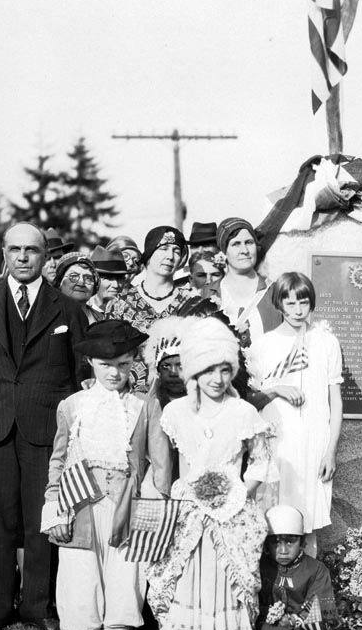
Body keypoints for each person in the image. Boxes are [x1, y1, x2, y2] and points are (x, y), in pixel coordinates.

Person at [0, 222, 88, 630]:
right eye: (16, 249)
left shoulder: (66, 308)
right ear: (5, 254)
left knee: (39, 519)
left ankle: (36, 605)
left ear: (45, 256)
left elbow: (79, 367)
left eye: (32, 250)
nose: (24, 257)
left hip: (44, 426)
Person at [41, 320, 171, 630]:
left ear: (134, 362)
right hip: (80, 514)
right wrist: (53, 509)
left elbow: (157, 466)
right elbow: (59, 462)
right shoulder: (73, 406)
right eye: (104, 364)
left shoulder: (142, 407)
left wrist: (151, 506)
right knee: (83, 611)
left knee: (120, 608)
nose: (114, 373)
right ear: (90, 363)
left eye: (122, 363)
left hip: (125, 516)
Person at [147, 317, 274, 630]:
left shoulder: (242, 411)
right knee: (191, 599)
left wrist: (239, 490)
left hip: (230, 518)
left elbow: (259, 461)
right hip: (190, 520)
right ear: (193, 373)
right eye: (207, 370)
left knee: (228, 599)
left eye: (224, 369)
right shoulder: (175, 411)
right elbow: (167, 468)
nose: (217, 379)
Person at [246, 272, 343, 555]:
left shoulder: (326, 341)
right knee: (273, 514)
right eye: (290, 303)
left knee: (307, 519)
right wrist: (277, 388)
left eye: (303, 302)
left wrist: (330, 451)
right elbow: (252, 401)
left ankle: (306, 585)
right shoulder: (264, 344)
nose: (298, 310)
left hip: (313, 442)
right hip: (277, 442)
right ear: (279, 305)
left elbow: (335, 401)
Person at [257, 504, 339, 630]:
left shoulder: (316, 569)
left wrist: (294, 619)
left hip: (302, 624)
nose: (283, 550)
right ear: (265, 545)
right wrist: (269, 613)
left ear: (303, 543)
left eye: (290, 542)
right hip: (268, 621)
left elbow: (322, 607)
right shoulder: (260, 567)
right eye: (275, 542)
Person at [201, 217, 278, 347]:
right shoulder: (207, 293)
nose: (245, 250)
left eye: (249, 242)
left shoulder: (275, 292)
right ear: (224, 252)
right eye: (236, 244)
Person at [106, 226, 195, 334]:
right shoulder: (120, 304)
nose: (170, 257)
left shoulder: (191, 301)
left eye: (176, 251)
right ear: (149, 254)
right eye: (163, 248)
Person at [54, 251, 102, 323]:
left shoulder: (102, 319)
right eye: (73, 276)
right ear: (59, 282)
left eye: (88, 278)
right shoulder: (49, 315)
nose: (81, 282)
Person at [88, 246, 131, 317]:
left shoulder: (132, 317)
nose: (116, 285)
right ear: (93, 279)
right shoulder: (80, 315)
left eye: (120, 278)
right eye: (108, 278)